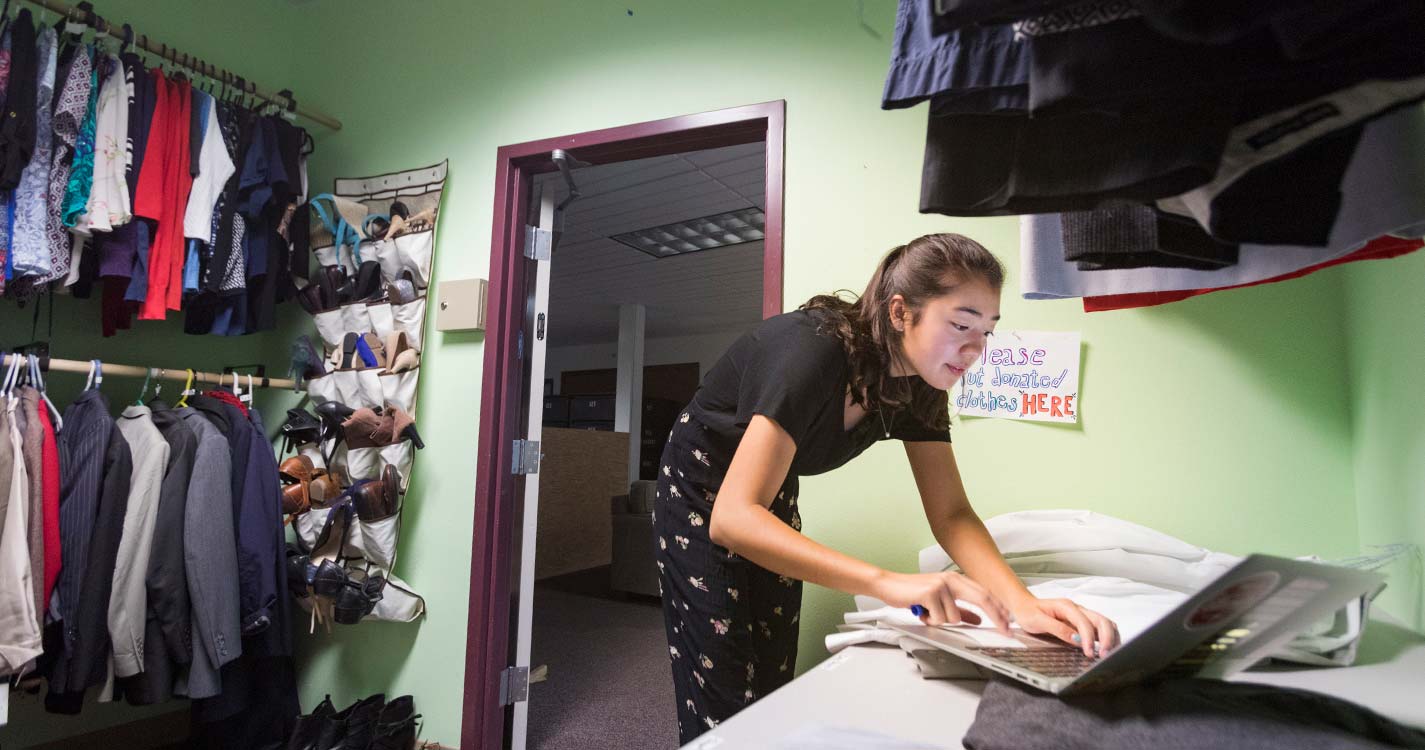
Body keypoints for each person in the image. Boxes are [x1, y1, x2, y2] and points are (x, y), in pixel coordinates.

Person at [654, 233, 1120, 742]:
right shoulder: (809, 354)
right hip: (699, 484)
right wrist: (889, 583)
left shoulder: (920, 382)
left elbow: (952, 515)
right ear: (901, 313)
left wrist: (1022, 604)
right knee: (723, 683)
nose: (975, 350)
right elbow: (733, 518)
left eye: (986, 331)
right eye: (961, 324)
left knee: (770, 671)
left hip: (771, 486)